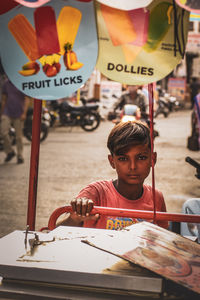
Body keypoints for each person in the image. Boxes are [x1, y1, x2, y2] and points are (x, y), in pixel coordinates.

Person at [59, 120, 168, 230]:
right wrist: (75, 217)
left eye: (141, 158)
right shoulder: (96, 192)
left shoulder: (156, 197)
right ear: (112, 162)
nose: (133, 166)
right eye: (123, 159)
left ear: (153, 159)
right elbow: (54, 232)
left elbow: (164, 238)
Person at [0, 78, 30, 164]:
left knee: (18, 136)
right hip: (7, 112)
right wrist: (2, 113)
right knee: (3, 132)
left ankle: (20, 155)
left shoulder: (21, 82)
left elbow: (27, 99)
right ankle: (10, 152)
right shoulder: (6, 83)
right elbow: (4, 99)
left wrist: (24, 113)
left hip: (19, 113)